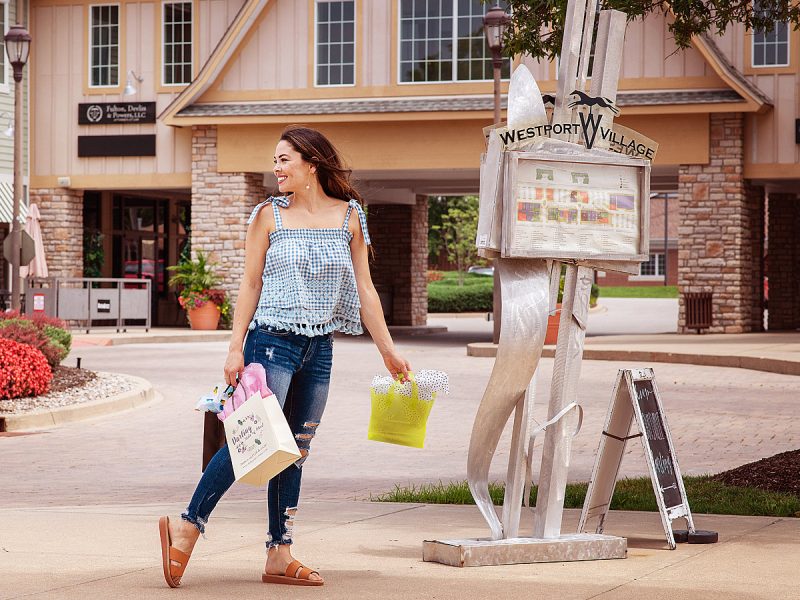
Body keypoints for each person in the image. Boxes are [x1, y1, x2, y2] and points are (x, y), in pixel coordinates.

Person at [158, 126, 412, 588]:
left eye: (284, 159)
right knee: (254, 443)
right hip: (270, 342)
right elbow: (250, 283)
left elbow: (365, 289)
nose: (276, 168)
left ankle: (280, 552)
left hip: (320, 348)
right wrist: (234, 346)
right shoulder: (268, 215)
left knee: (294, 452)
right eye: (274, 160)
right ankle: (188, 524)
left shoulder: (349, 216)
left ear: (311, 163)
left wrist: (388, 351)